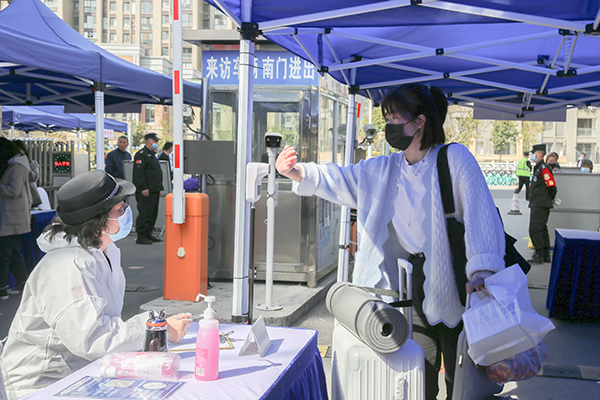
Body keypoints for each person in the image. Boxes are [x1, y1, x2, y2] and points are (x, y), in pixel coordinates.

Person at [276, 83, 506, 400]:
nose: (389, 127)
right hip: (411, 284)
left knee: (463, 381)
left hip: (458, 282)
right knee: (417, 374)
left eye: (395, 118)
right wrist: (296, 172)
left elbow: (482, 216)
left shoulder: (454, 159)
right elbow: (339, 179)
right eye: (387, 119)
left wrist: (484, 270)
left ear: (420, 121)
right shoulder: (385, 168)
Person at [0, 170, 191, 399]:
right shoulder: (66, 266)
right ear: (97, 221)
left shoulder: (104, 252)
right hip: (43, 381)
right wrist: (155, 328)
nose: (127, 212)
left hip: (78, 369)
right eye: (120, 209)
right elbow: (94, 339)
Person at [0, 138, 32, 300]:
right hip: (13, 216)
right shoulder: (18, 164)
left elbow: (14, 190)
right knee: (13, 252)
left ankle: (2, 288)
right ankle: (21, 283)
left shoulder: (16, 167)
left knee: (5, 253)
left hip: (12, 216)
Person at [527, 144, 558, 264]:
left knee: (535, 229)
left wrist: (549, 198)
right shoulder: (538, 168)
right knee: (541, 228)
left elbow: (551, 185)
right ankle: (545, 254)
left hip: (540, 203)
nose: (532, 155)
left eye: (534, 153)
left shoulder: (544, 168)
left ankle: (539, 254)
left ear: (540, 154)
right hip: (538, 202)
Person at [132, 132, 163, 245]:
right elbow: (139, 174)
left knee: (153, 213)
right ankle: (141, 235)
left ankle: (148, 233)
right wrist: (143, 187)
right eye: (155, 141)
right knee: (145, 213)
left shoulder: (152, 155)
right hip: (146, 190)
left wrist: (158, 188)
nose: (156, 143)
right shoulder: (141, 155)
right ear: (148, 142)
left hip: (154, 189)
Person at [12, 139, 42, 207]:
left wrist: (25, 166)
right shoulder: (11, 165)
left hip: (31, 196)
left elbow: (34, 178)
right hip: (17, 198)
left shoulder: (32, 164)